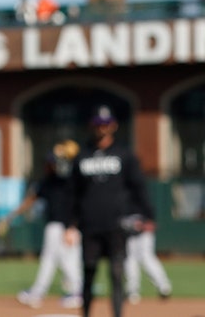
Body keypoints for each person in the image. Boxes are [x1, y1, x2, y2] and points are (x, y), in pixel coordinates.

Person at [66, 105, 154, 317]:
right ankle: (86, 314)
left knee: (117, 273)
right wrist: (70, 224)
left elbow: (138, 186)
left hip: (116, 224)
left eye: (106, 124)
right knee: (88, 273)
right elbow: (73, 193)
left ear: (113, 125)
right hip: (90, 224)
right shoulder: (82, 155)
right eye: (98, 124)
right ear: (91, 126)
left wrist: (148, 215)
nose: (102, 128)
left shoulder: (124, 154)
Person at [4, 140, 83, 309]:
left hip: (64, 227)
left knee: (62, 260)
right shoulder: (49, 182)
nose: (47, 166)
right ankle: (40, 293)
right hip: (61, 227)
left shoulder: (68, 181)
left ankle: (73, 292)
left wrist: (71, 228)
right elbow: (30, 200)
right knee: (53, 261)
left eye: (50, 162)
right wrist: (10, 216)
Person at [123, 216, 172, 304]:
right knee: (130, 260)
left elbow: (150, 215)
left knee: (147, 259)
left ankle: (164, 287)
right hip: (129, 234)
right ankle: (132, 290)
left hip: (144, 234)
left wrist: (148, 223)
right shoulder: (123, 203)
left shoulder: (141, 203)